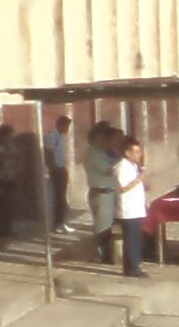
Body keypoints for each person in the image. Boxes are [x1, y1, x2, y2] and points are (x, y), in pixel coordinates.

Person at [84, 122, 121, 263]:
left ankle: (106, 253)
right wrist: (121, 161)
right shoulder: (94, 153)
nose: (104, 140)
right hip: (101, 193)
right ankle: (102, 254)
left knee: (107, 225)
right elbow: (108, 170)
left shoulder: (103, 152)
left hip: (108, 192)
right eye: (102, 137)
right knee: (102, 227)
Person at [112, 135, 149, 277]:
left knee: (136, 238)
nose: (138, 155)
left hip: (136, 207)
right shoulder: (121, 167)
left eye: (139, 152)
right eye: (135, 152)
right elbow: (123, 187)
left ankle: (133, 267)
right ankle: (133, 268)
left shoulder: (134, 166)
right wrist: (139, 178)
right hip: (128, 209)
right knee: (131, 239)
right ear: (127, 153)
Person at [45, 115, 75, 232]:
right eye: (66, 126)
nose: (67, 129)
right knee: (60, 198)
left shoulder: (61, 136)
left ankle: (61, 222)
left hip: (62, 169)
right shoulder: (52, 136)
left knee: (62, 197)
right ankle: (58, 223)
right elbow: (49, 153)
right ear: (60, 125)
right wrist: (55, 168)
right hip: (56, 170)